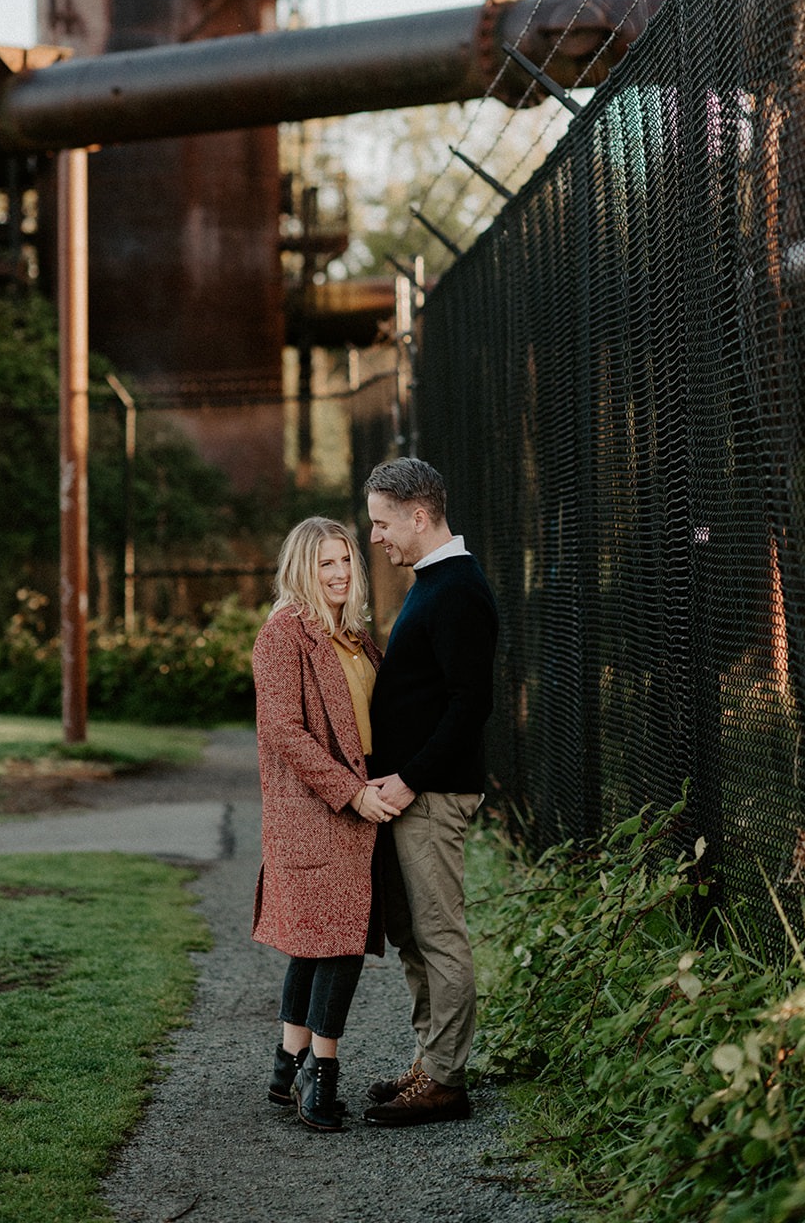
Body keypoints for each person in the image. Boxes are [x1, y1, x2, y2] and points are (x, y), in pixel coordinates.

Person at [361, 457, 498, 1127]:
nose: (377, 537)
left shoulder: (459, 589)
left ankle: (446, 1081)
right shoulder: (431, 582)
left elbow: (470, 704)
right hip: (412, 792)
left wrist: (411, 779)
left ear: (419, 515)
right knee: (412, 934)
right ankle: (430, 1061)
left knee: (439, 934)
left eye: (383, 523)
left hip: (434, 795)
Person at [252, 515, 400, 1132]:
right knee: (339, 942)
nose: (340, 573)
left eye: (345, 561)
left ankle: (287, 1065)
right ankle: (322, 1073)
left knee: (320, 942)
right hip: (316, 811)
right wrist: (350, 793)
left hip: (359, 801)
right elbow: (284, 730)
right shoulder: (284, 633)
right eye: (326, 564)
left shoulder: (353, 637)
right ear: (301, 570)